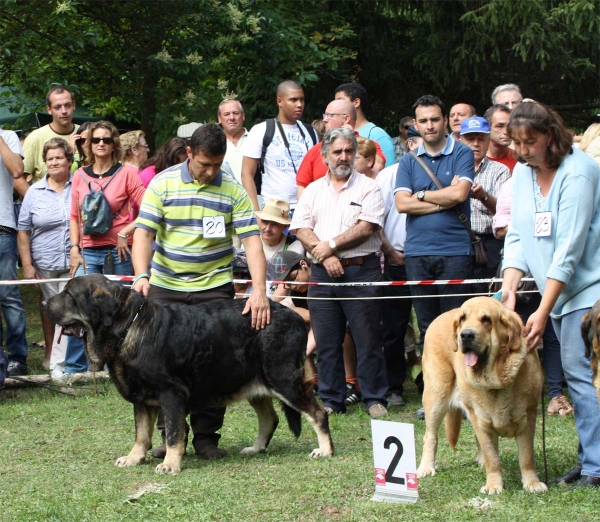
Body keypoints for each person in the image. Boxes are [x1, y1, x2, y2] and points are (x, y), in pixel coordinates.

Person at [132, 123, 269, 460]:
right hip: (166, 289)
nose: (209, 172)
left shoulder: (233, 190)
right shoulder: (162, 184)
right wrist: (141, 275)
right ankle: (170, 437)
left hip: (213, 290)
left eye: (216, 165)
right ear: (189, 152)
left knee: (214, 364)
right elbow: (143, 234)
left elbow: (252, 242)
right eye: (204, 164)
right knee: (163, 367)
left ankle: (207, 438)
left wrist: (259, 290)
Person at [500, 100, 600, 489]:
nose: (523, 151)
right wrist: (509, 287)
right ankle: (590, 457)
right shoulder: (523, 175)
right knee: (576, 377)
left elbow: (570, 251)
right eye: (516, 143)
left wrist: (541, 311)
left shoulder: (580, 173)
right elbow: (520, 235)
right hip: (555, 295)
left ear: (551, 136)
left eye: (531, 142)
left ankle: (595, 466)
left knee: (581, 376)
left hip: (587, 290)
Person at [291, 127, 388, 419]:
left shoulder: (369, 187)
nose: (344, 157)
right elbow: (301, 227)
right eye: (337, 152)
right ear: (325, 156)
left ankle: (374, 398)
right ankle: (332, 399)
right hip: (322, 274)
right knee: (327, 339)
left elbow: (367, 226)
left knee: (367, 338)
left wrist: (330, 247)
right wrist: (326, 255)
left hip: (361, 270)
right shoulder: (312, 190)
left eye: (348, 151)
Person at [394, 95, 475, 419]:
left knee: (460, 327)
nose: (429, 125)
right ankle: (435, 398)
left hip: (455, 251)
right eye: (423, 121)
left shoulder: (463, 153)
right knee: (428, 328)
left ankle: (466, 396)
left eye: (434, 119)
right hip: (418, 254)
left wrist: (423, 195)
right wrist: (443, 200)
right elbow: (402, 204)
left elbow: (460, 194)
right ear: (416, 124)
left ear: (444, 121)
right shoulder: (408, 161)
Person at [68, 120, 146, 373]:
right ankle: (76, 367)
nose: (101, 144)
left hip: (119, 252)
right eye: (96, 140)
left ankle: (123, 365)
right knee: (79, 307)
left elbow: (149, 209)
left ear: (114, 144)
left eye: (107, 140)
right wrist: (74, 249)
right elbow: (74, 217)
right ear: (89, 144)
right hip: (88, 251)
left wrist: (126, 230)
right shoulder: (79, 175)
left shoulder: (127, 174)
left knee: (120, 309)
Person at [493, 177, 573, 417]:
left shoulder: (565, 180)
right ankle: (512, 391)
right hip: (518, 276)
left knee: (551, 337)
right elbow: (501, 227)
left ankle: (555, 394)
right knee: (515, 337)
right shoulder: (513, 184)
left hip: (551, 274)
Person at [17, 138, 74, 378]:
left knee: (75, 310)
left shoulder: (79, 184)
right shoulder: (34, 191)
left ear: (69, 160)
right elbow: (23, 231)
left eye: (58, 157)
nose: (54, 162)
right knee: (58, 312)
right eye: (49, 158)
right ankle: (58, 363)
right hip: (46, 264)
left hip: (74, 261)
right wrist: (27, 266)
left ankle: (75, 362)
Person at [241, 80, 317, 210]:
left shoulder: (310, 132)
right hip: (273, 209)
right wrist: (256, 212)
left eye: (302, 100)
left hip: (306, 207)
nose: (299, 105)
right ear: (279, 101)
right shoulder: (262, 130)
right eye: (293, 100)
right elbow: (246, 174)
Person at [296, 99, 386, 199]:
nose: (325, 119)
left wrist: (351, 139)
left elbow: (377, 166)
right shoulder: (317, 149)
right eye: (325, 115)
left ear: (346, 119)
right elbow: (302, 187)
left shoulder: (368, 145)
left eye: (331, 115)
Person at [376, 162, 412, 407]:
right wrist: (389, 251)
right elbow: (376, 219)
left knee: (434, 325)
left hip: (429, 257)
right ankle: (393, 386)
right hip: (396, 258)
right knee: (393, 327)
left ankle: (435, 383)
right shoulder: (389, 175)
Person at [459, 116, 510, 284]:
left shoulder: (500, 170)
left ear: (488, 141)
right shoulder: (450, 168)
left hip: (490, 243)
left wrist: (484, 196)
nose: (475, 143)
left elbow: (504, 211)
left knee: (489, 295)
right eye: (470, 138)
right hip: (458, 240)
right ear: (460, 140)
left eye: (481, 139)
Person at [0, 126, 28, 377]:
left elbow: (17, 171)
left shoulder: (7, 136)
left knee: (9, 296)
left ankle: (18, 357)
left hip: (3, 229)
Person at [334, 83, 395, 167]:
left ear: (356, 102)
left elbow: (389, 172)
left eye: (340, 101)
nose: (336, 105)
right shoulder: (337, 132)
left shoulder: (378, 135)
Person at [217, 98, 248, 183]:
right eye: (226, 114)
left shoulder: (255, 139)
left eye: (236, 113)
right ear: (219, 118)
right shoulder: (215, 143)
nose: (232, 118)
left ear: (243, 116)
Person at [485, 104, 518, 172]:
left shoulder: (520, 159)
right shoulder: (475, 160)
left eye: (509, 126)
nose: (506, 132)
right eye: (500, 126)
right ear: (487, 128)